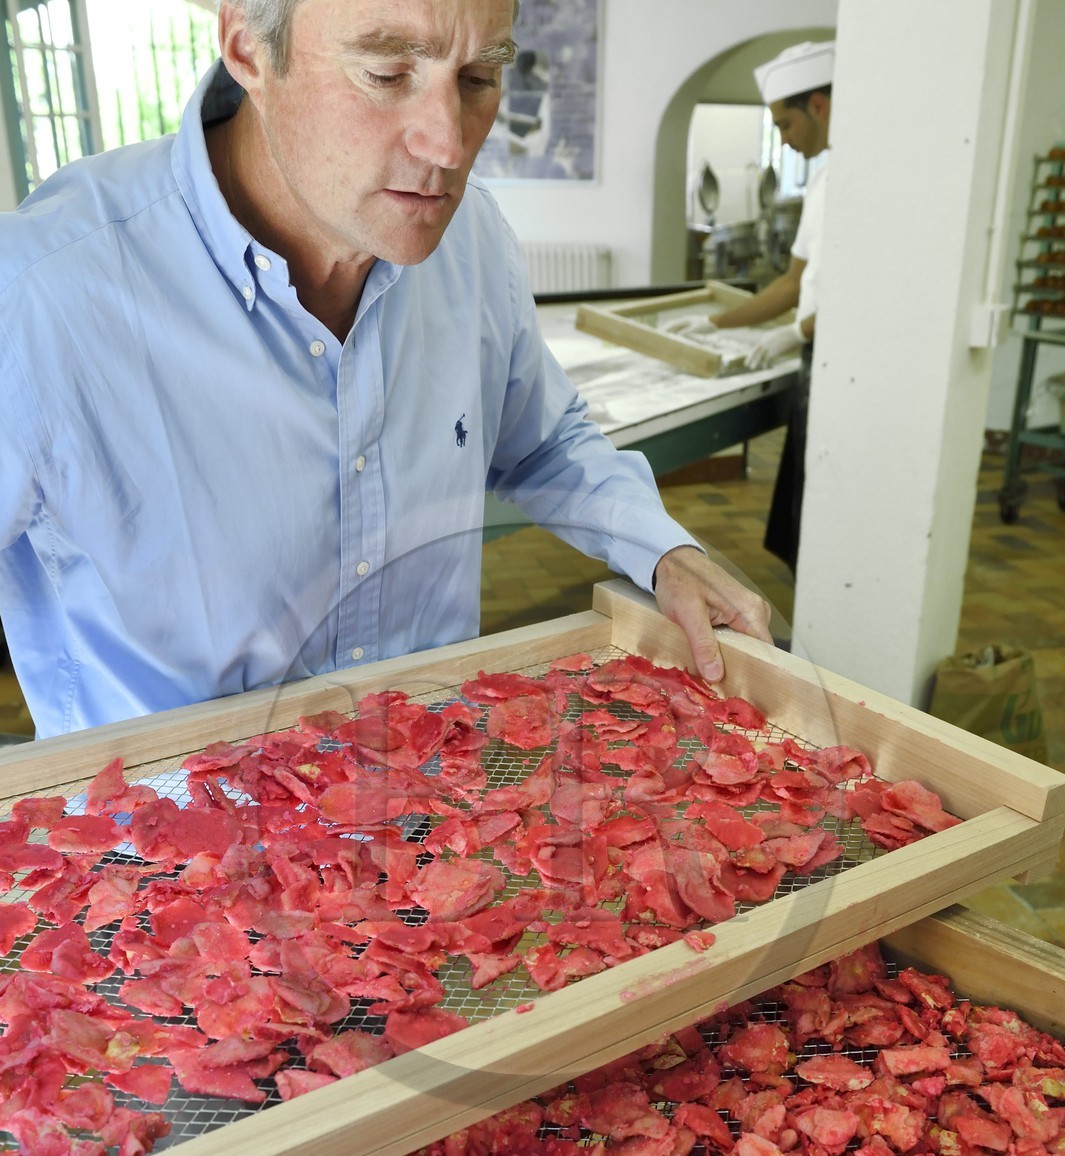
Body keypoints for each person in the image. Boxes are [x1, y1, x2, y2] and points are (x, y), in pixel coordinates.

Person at [0, 0, 771, 740]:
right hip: (171, 851)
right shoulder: (41, 293)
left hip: (428, 809)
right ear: (247, 51)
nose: (449, 145)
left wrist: (662, 550)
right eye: (385, 74)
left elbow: (540, 441)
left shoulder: (472, 240)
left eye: (477, 80)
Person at [708, 40, 833, 573]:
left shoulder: (861, 178)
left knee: (821, 503)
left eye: (785, 124)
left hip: (834, 360)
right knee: (800, 499)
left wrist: (799, 333)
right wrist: (714, 321)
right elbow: (793, 282)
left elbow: (865, 295)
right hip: (815, 352)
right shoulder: (827, 177)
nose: (783, 138)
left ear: (819, 106)